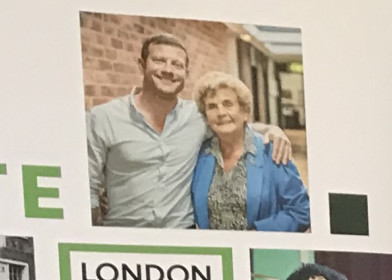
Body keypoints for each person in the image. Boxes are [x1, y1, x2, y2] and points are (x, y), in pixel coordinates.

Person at [87, 30, 293, 229]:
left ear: (185, 73)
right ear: (142, 65)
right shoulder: (103, 118)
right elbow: (87, 187)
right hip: (125, 235)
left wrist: (272, 129)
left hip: (184, 235)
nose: (168, 70)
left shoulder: (197, 116)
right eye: (159, 60)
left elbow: (232, 124)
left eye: (176, 64)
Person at [191, 73, 310, 232]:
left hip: (263, 247)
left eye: (228, 104)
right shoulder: (200, 154)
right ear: (206, 117)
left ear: (244, 112)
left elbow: (301, 211)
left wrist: (256, 236)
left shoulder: (272, 151)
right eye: (212, 106)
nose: (220, 112)